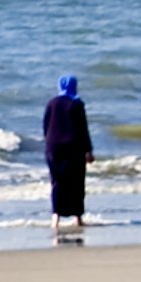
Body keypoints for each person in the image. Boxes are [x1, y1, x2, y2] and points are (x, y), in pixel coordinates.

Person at [40, 75, 93, 236]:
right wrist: (88, 151)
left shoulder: (51, 103)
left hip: (53, 147)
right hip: (73, 147)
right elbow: (82, 129)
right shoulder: (76, 104)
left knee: (57, 182)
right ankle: (77, 218)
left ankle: (55, 218)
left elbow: (45, 126)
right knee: (76, 183)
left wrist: (49, 143)